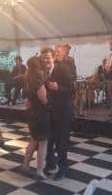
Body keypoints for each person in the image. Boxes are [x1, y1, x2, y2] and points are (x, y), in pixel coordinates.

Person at [43, 46, 74, 180]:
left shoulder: (62, 68)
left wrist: (58, 88)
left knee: (61, 144)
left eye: (48, 57)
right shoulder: (43, 71)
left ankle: (62, 169)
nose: (45, 60)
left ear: (53, 57)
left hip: (63, 112)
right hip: (50, 112)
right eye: (43, 58)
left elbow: (72, 88)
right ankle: (50, 165)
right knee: (49, 141)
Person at [21, 56, 50, 179]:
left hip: (32, 114)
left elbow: (28, 99)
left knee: (33, 141)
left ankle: (25, 166)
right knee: (43, 143)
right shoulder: (38, 82)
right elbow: (44, 100)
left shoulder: (27, 79)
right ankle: (39, 170)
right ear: (38, 67)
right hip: (41, 115)